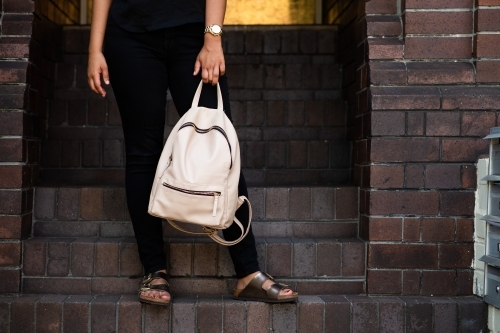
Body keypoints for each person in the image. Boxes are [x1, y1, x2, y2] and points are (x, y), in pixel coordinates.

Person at [87, 0, 298, 306]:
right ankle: (154, 270)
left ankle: (248, 272)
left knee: (218, 147)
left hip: (192, 32)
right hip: (129, 34)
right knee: (142, 152)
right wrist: (95, 49)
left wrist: (213, 37)